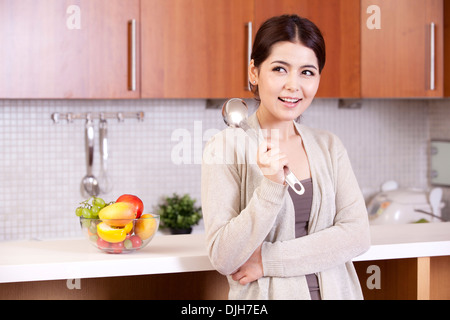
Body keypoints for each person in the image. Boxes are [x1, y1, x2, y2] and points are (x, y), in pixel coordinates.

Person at [201, 14, 370, 300]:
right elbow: (223, 257)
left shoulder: (329, 146)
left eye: (307, 72)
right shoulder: (224, 148)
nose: (294, 85)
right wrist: (270, 187)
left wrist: (268, 260)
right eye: (280, 69)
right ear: (254, 72)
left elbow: (357, 235)